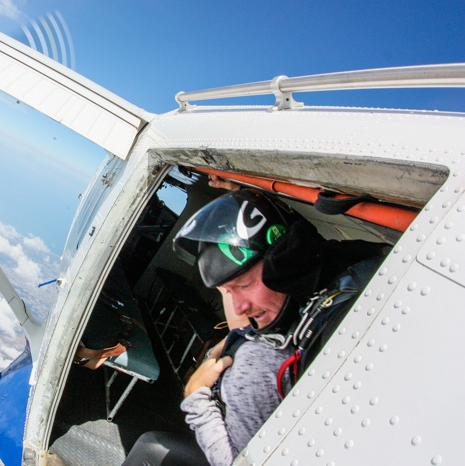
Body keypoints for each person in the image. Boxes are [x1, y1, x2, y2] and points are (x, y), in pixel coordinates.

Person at [124, 188, 389, 465]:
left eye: (244, 285)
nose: (239, 307)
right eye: (227, 291)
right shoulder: (349, 267)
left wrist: (196, 398)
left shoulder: (258, 363)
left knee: (150, 448)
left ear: (287, 260)